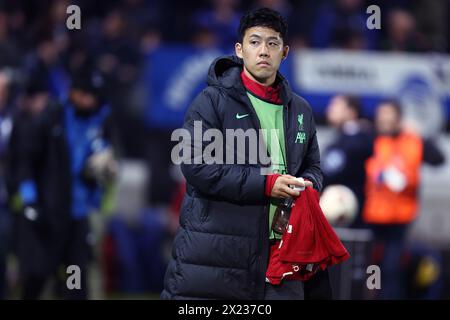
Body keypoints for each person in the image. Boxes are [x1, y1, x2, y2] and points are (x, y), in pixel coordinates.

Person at [162, 8, 330, 300]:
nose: (263, 50)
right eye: (254, 42)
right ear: (239, 49)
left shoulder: (301, 109)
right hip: (219, 257)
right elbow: (196, 165)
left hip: (283, 257)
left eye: (272, 43)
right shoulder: (211, 102)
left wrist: (308, 185)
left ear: (285, 52)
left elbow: (313, 165)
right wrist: (266, 185)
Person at [8, 68, 117, 300]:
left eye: (94, 94)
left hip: (77, 215)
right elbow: (27, 162)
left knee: (75, 279)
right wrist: (29, 200)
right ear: (73, 92)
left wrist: (106, 168)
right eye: (86, 93)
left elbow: (103, 157)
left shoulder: (99, 119)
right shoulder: (50, 119)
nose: (90, 99)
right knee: (37, 275)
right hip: (48, 213)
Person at [362, 100, 444, 299]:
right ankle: (373, 296)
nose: (385, 120)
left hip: (400, 218)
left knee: (392, 267)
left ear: (398, 118)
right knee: (372, 268)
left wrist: (422, 135)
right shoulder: (370, 140)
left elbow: (438, 158)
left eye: (389, 115)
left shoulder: (413, 141)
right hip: (373, 217)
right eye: (381, 116)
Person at [322, 94, 374, 228]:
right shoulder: (342, 137)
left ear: (351, 112)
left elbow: (328, 172)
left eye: (336, 105)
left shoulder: (358, 139)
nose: (330, 109)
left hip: (353, 213)